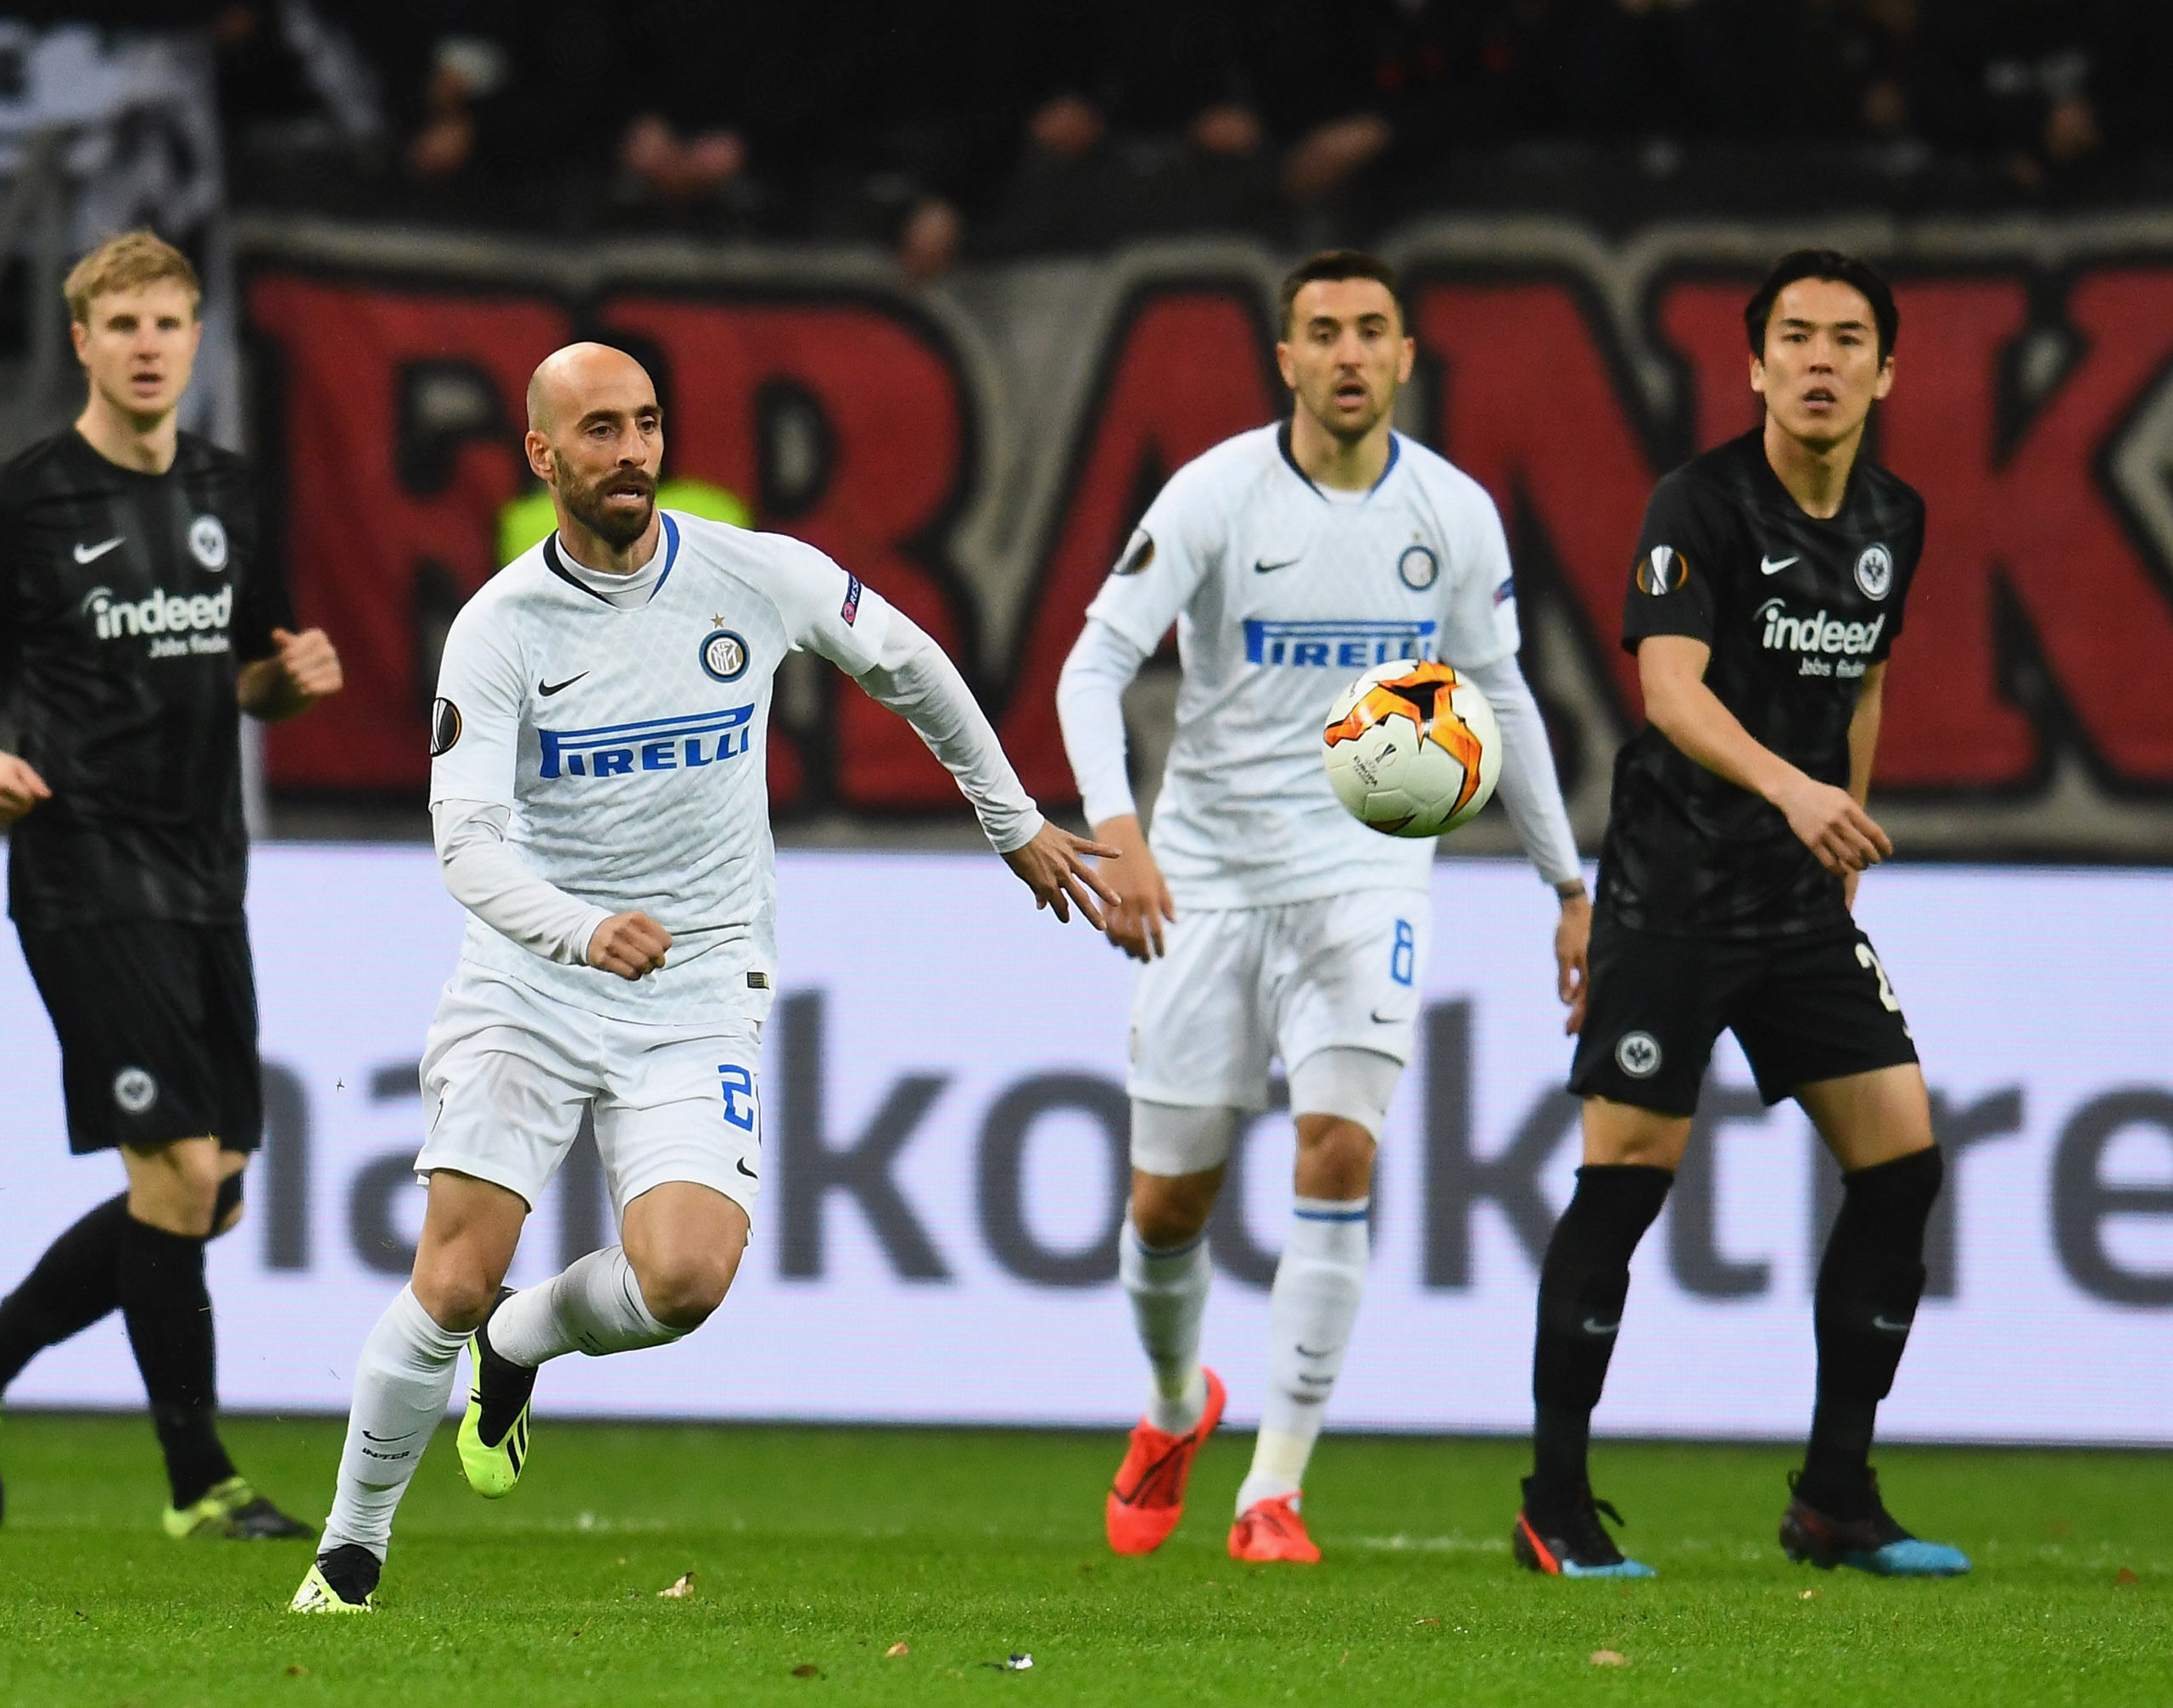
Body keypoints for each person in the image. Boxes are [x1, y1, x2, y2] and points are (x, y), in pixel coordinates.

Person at [288, 343, 1114, 1612]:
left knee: (682, 1281)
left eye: (647, 424)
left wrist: (1011, 821)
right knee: (448, 1278)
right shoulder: (500, 629)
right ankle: (349, 1556)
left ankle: (522, 1338)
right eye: (599, 431)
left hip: (698, 984)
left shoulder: (755, 574)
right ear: (541, 455)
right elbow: (466, 845)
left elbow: (910, 664)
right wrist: (578, 930)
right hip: (531, 982)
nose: (632, 452)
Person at [1056, 250, 1587, 1566]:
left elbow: (1504, 699)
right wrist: (1119, 833)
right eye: (1324, 332)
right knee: (1166, 1208)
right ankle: (1175, 1406)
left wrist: (1568, 884)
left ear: (1406, 355)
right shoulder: (1217, 496)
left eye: (1372, 331)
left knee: (1338, 1150)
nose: (1349, 353)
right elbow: (1092, 665)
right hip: (1208, 876)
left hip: (1368, 872)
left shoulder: (1451, 513)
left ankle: (1274, 1492)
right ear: (1286, 358)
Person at [1513, 248, 1967, 1581]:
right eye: (1796, 338)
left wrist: (1844, 824)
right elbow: (1669, 690)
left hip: (1795, 898)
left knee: (1902, 1162)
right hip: (1671, 890)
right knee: (1627, 1176)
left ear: (1887, 371)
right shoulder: (1699, 504)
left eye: (1847, 340)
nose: (1821, 360)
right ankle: (1555, 1503)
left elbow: (1866, 678)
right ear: (1755, 366)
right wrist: (1794, 790)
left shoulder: (1895, 517)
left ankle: (1835, 1498)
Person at [0, 231, 343, 1539]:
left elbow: (248, 673)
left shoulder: (231, 493)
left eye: (168, 323)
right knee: (181, 1173)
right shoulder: (17, 503)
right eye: (123, 324)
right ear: (82, 342)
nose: (148, 346)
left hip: (207, 867)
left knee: (216, 1186)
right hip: (82, 866)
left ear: (196, 339)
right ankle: (201, 1482)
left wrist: (286, 682)